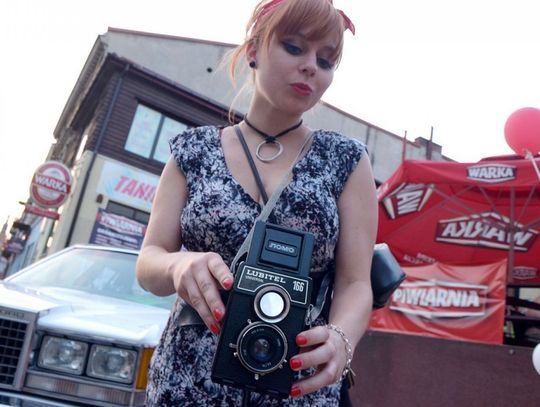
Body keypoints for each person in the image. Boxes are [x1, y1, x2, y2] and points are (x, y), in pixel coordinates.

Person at [136, 0, 377, 405]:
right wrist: (179, 265)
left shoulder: (347, 161)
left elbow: (355, 283)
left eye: (326, 60)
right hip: (190, 379)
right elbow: (149, 261)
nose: (311, 67)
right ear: (253, 51)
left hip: (297, 380)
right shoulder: (193, 151)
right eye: (294, 47)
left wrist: (341, 338)